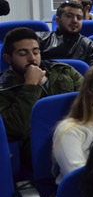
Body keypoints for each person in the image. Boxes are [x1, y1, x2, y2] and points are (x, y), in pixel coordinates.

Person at [1, 28, 84, 170]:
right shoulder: (3, 88)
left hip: (77, 136)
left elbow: (90, 100)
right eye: (23, 54)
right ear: (8, 59)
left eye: (36, 52)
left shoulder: (64, 71)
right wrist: (30, 85)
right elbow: (14, 129)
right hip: (38, 150)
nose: (32, 59)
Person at [38, 0, 93, 65]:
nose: (75, 21)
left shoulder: (87, 44)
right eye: (69, 16)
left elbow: (91, 70)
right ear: (57, 20)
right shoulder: (41, 39)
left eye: (79, 18)